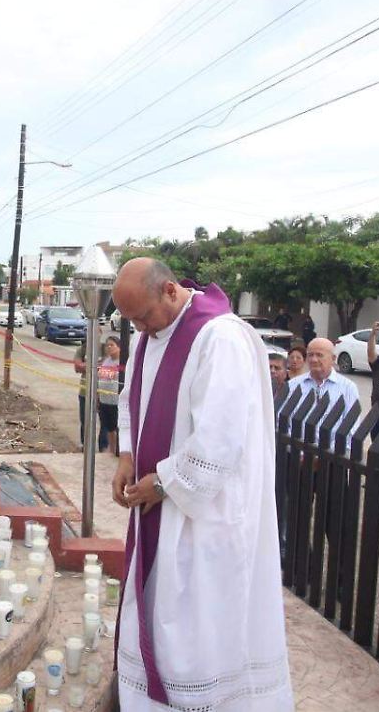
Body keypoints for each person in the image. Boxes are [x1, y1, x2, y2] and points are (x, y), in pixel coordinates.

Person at [110, 258, 291, 710]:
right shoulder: (152, 333)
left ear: (170, 290)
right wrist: (128, 456)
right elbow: (133, 395)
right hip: (161, 497)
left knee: (197, 617)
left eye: (142, 317)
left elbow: (221, 435)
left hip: (205, 510)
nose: (139, 329)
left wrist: (166, 482)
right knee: (160, 603)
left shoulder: (220, 337)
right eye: (129, 320)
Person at [287, 337, 361, 443]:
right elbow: (284, 422)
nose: (314, 359)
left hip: (332, 455)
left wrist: (327, 453)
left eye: (319, 355)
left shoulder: (348, 388)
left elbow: (352, 428)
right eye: (310, 355)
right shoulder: (293, 385)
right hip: (297, 453)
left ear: (333, 358)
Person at [97, 336, 123, 453]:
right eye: (107, 345)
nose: (109, 347)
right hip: (104, 400)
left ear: (119, 347)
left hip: (116, 401)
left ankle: (119, 451)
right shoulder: (106, 361)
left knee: (117, 428)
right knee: (108, 428)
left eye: (112, 345)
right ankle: (111, 450)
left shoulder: (123, 362)